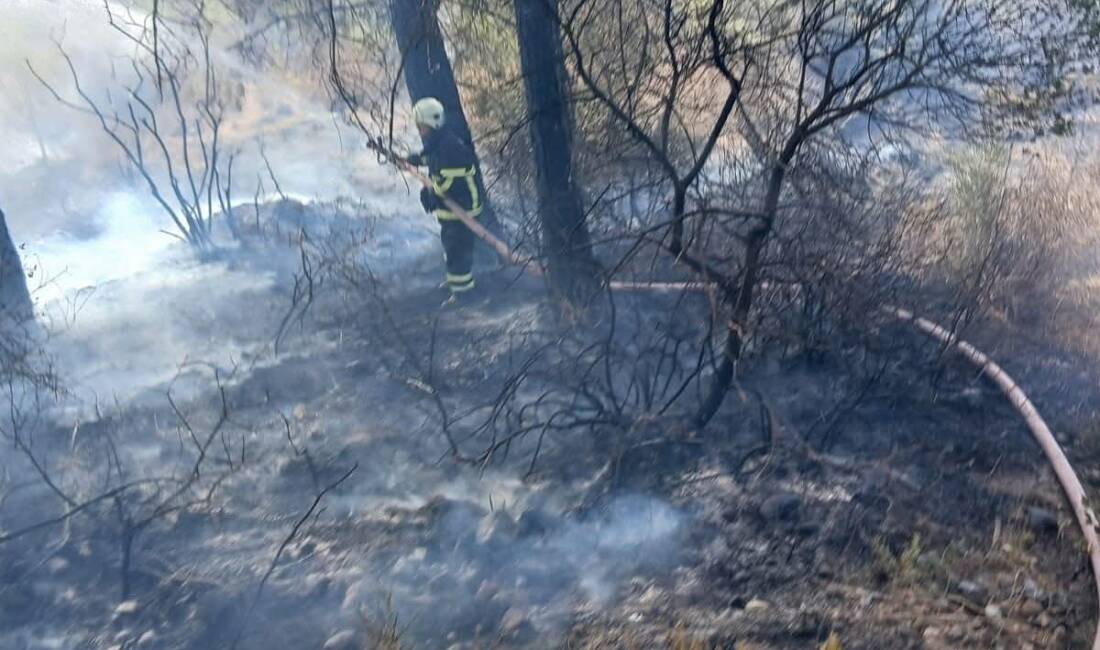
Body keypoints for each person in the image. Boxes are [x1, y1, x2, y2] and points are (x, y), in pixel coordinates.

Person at [404, 97, 484, 301]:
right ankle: (456, 282)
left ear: (431, 124)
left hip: (463, 210)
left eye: (421, 126)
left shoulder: (450, 147)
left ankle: (464, 294)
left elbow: (451, 182)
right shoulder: (441, 141)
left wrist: (432, 192)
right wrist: (417, 160)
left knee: (458, 252)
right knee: (451, 247)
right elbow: (434, 159)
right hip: (452, 210)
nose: (419, 130)